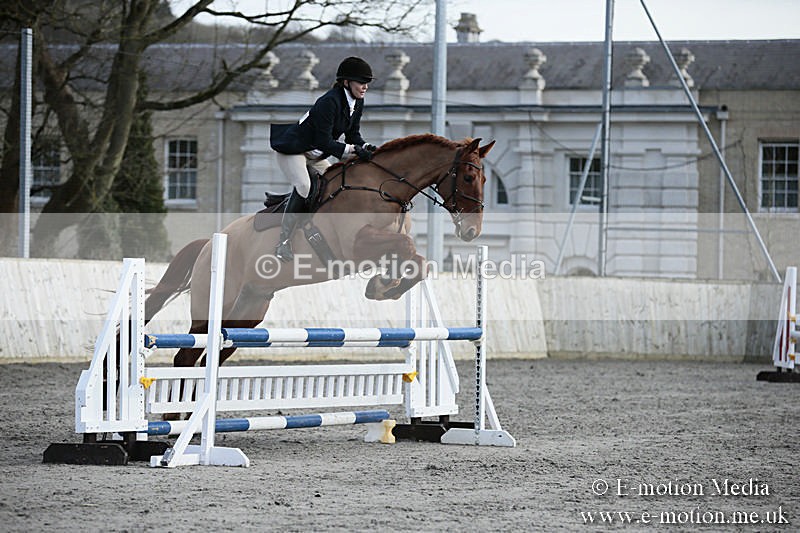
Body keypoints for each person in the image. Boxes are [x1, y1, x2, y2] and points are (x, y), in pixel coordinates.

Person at [269, 56, 378, 262]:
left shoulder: (357, 102)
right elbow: (324, 140)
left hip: (317, 153)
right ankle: (283, 242)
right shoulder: (329, 101)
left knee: (334, 186)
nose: (364, 87)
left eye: (367, 83)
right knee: (304, 186)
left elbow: (353, 135)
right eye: (360, 82)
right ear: (346, 82)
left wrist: (364, 146)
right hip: (294, 151)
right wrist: (351, 149)